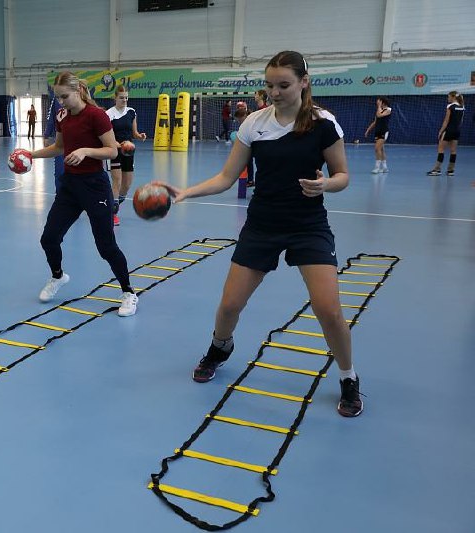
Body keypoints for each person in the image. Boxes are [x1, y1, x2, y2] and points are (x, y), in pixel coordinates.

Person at [156, 51, 362, 418]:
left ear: (303, 81)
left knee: (328, 310)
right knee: (230, 305)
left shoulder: (323, 123)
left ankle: (348, 377)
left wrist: (325, 185)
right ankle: (220, 347)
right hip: (262, 224)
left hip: (307, 225)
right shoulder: (254, 123)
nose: (275, 92)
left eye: (283, 85)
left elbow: (343, 175)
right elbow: (226, 177)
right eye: (269, 85)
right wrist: (187, 192)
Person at [28, 71, 137, 317]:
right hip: (70, 187)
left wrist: (86, 151)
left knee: (106, 246)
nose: (61, 102)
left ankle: (129, 292)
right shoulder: (62, 115)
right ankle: (57, 277)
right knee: (49, 238)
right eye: (57, 98)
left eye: (64, 97)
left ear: (78, 91)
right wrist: (30, 155)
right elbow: (59, 147)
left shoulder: (96, 115)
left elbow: (111, 151)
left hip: (94, 185)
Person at [106, 85, 146, 226]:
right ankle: (112, 214)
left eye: (126, 98)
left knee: (127, 184)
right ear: (115, 98)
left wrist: (140, 136)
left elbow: (134, 133)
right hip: (114, 150)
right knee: (116, 181)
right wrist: (116, 144)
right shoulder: (109, 114)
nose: (124, 100)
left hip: (129, 151)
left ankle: (111, 203)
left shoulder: (131, 112)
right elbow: (107, 136)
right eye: (121, 98)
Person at [427, 91, 465, 176]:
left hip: (448, 131)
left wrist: (441, 131)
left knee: (441, 149)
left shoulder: (450, 106)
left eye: (449, 97)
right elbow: (461, 121)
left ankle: (437, 170)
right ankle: (451, 170)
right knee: (453, 151)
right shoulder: (462, 107)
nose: (448, 98)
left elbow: (446, 121)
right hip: (457, 131)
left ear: (453, 97)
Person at [363, 97, 391, 174]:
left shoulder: (388, 110)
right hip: (377, 131)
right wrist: (368, 130)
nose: (377, 104)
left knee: (377, 148)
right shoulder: (379, 110)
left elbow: (379, 115)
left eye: (379, 102)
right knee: (381, 149)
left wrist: (379, 107)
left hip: (384, 131)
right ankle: (385, 168)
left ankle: (377, 167)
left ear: (383, 102)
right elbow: (375, 122)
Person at [43, 91, 65, 191]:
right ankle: (60, 195)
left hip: (78, 143)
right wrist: (46, 135)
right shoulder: (55, 101)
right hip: (60, 141)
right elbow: (52, 118)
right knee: (59, 171)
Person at [233, 107, 255, 187]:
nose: (239, 122)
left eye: (239, 120)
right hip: (251, 145)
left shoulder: (251, 122)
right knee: (248, 162)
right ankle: (250, 180)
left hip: (257, 145)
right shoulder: (246, 123)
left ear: (243, 117)